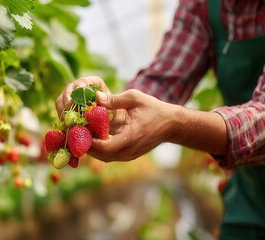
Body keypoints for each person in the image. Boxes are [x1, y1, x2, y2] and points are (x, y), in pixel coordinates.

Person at [56, 0, 265, 239]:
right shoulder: (202, 5)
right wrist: (117, 109)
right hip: (247, 198)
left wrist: (176, 124)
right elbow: (163, 78)